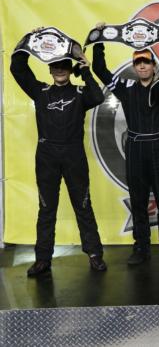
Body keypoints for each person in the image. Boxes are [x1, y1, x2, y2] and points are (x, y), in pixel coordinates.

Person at [11, 31, 107, 276]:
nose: (60, 70)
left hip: (74, 154)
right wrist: (29, 39)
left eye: (64, 66)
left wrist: (85, 69)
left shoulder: (80, 94)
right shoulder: (40, 92)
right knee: (46, 208)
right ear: (50, 69)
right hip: (47, 155)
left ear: (68, 67)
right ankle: (43, 259)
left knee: (83, 205)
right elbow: (17, 68)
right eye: (55, 66)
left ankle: (95, 254)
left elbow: (98, 96)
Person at [91, 31, 159, 265]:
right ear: (134, 66)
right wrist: (98, 39)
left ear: (154, 65)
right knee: (138, 201)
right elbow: (100, 70)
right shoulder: (126, 87)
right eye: (137, 63)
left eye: (146, 62)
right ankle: (141, 248)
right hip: (136, 149)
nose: (142, 67)